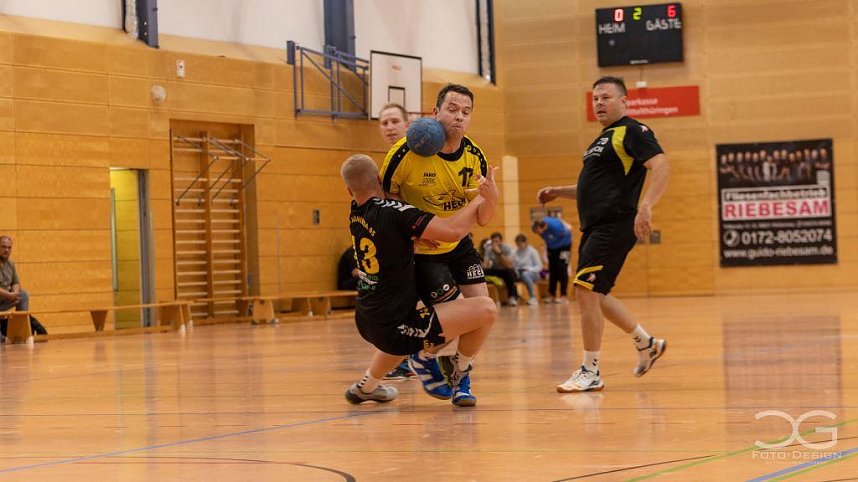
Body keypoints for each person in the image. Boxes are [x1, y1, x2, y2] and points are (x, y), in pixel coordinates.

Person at [536, 76, 669, 393]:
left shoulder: (633, 131)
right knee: (596, 295)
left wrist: (647, 206)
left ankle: (590, 370)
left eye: (606, 97)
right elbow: (589, 187)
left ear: (624, 102)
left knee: (584, 290)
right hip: (595, 226)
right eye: (595, 98)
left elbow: (662, 166)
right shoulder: (601, 140)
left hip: (615, 224)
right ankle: (646, 343)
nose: (599, 103)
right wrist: (559, 191)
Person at [340, 154, 498, 407]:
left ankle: (366, 387)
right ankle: (442, 364)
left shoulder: (356, 211)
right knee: (486, 309)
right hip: (397, 325)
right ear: (380, 179)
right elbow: (453, 232)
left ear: (349, 190)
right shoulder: (398, 214)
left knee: (396, 337)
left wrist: (413, 237)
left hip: (366, 317)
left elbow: (387, 235)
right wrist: (481, 197)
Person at [380, 84, 495, 378]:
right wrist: (409, 228)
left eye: (466, 112)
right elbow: (383, 201)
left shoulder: (474, 156)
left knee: (484, 313)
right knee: (459, 316)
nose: (459, 117)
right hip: (424, 252)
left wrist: (490, 197)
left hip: (460, 244)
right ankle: (423, 355)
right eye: (452, 109)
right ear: (435, 112)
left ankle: (460, 371)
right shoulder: (404, 153)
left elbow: (483, 218)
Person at [375, 102, 416, 381]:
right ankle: (406, 359)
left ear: (406, 125)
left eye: (394, 121)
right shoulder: (387, 161)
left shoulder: (418, 154)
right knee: (405, 302)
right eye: (384, 123)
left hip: (428, 236)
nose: (389, 127)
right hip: (401, 242)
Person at [0, 235, 47, 338]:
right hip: (4, 297)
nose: (6, 250)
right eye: (3, 247)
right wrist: (9, 295)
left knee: (23, 295)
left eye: (9, 247)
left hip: (4, 301)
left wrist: (15, 293)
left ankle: (21, 329)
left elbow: (15, 282)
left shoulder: (10, 264)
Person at [531, 216, 573, 304]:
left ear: (542, 227)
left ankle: (563, 295)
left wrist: (565, 224)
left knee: (562, 269)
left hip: (564, 247)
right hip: (552, 248)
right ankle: (551, 295)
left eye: (538, 231)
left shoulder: (556, 227)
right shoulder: (541, 227)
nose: (538, 234)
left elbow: (569, 228)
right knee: (552, 270)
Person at [482, 232, 519, 306]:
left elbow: (509, 265)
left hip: (507, 269)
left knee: (509, 273)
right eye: (493, 242)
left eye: (497, 241)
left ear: (501, 241)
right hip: (496, 269)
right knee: (482, 272)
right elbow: (485, 265)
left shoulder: (507, 248)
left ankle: (512, 297)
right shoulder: (489, 248)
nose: (495, 244)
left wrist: (499, 253)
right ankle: (484, 298)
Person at [512, 234, 542, 305]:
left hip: (532, 274)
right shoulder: (514, 252)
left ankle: (533, 297)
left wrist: (529, 269)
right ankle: (514, 297)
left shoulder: (532, 251)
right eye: (518, 243)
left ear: (525, 242)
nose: (519, 245)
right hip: (519, 272)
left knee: (525, 275)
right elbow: (513, 265)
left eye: (521, 243)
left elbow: (539, 266)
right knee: (511, 275)